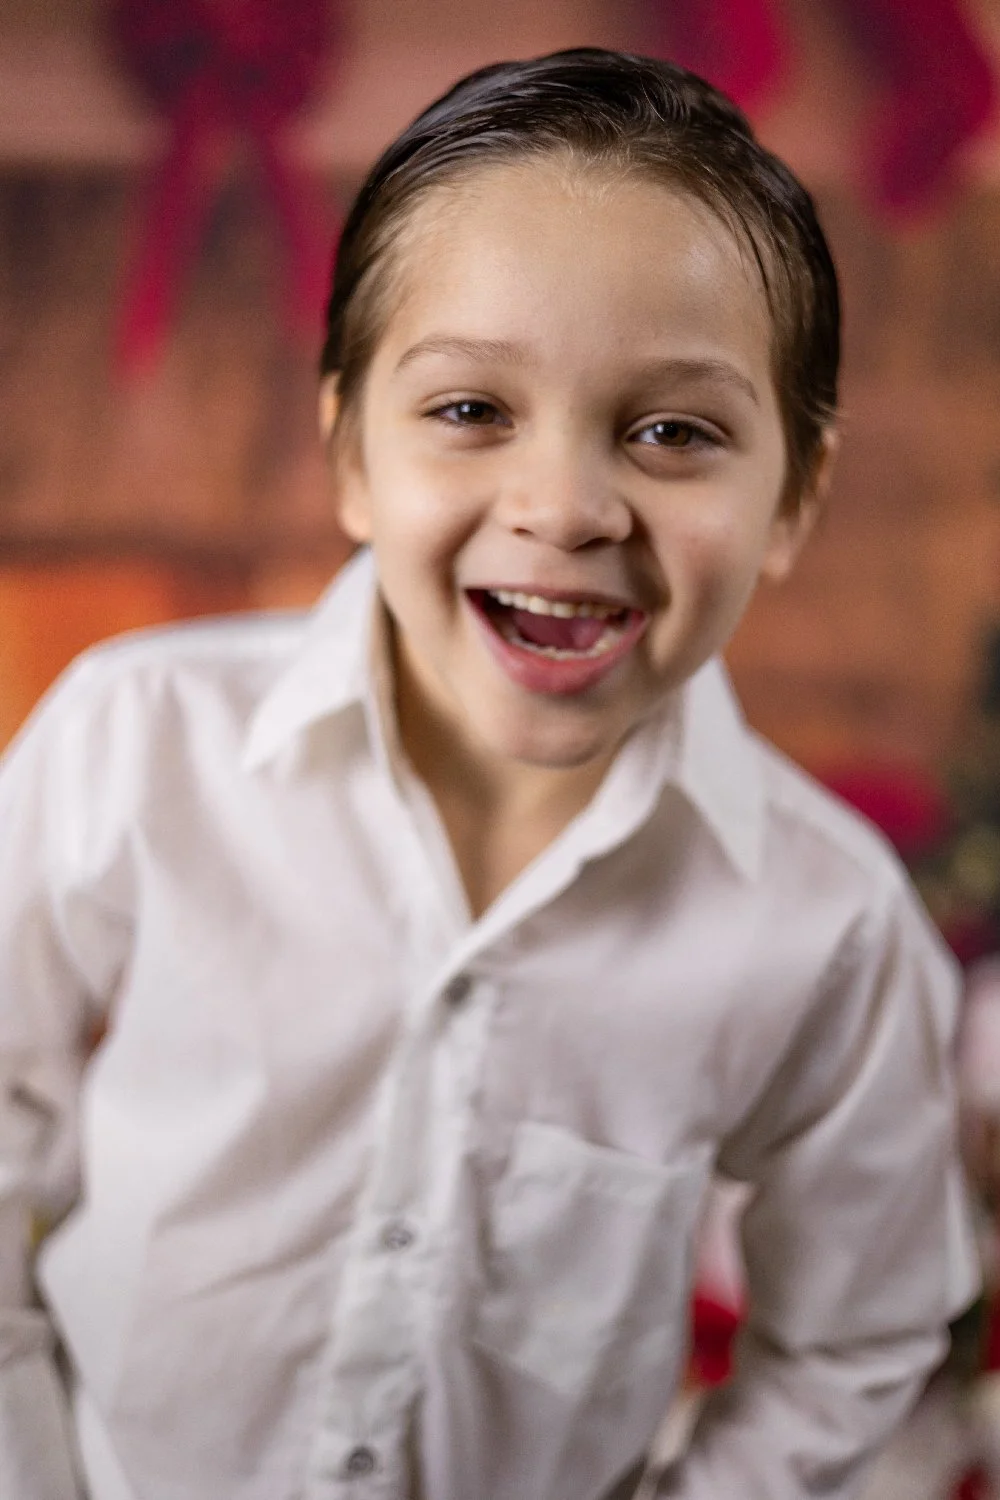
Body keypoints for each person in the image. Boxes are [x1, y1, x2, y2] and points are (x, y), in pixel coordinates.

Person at [0, 47, 978, 1500]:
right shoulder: (132, 743)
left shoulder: (827, 926)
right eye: (470, 410)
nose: (568, 507)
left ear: (794, 498)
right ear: (349, 457)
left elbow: (859, 1336)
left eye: (675, 432)